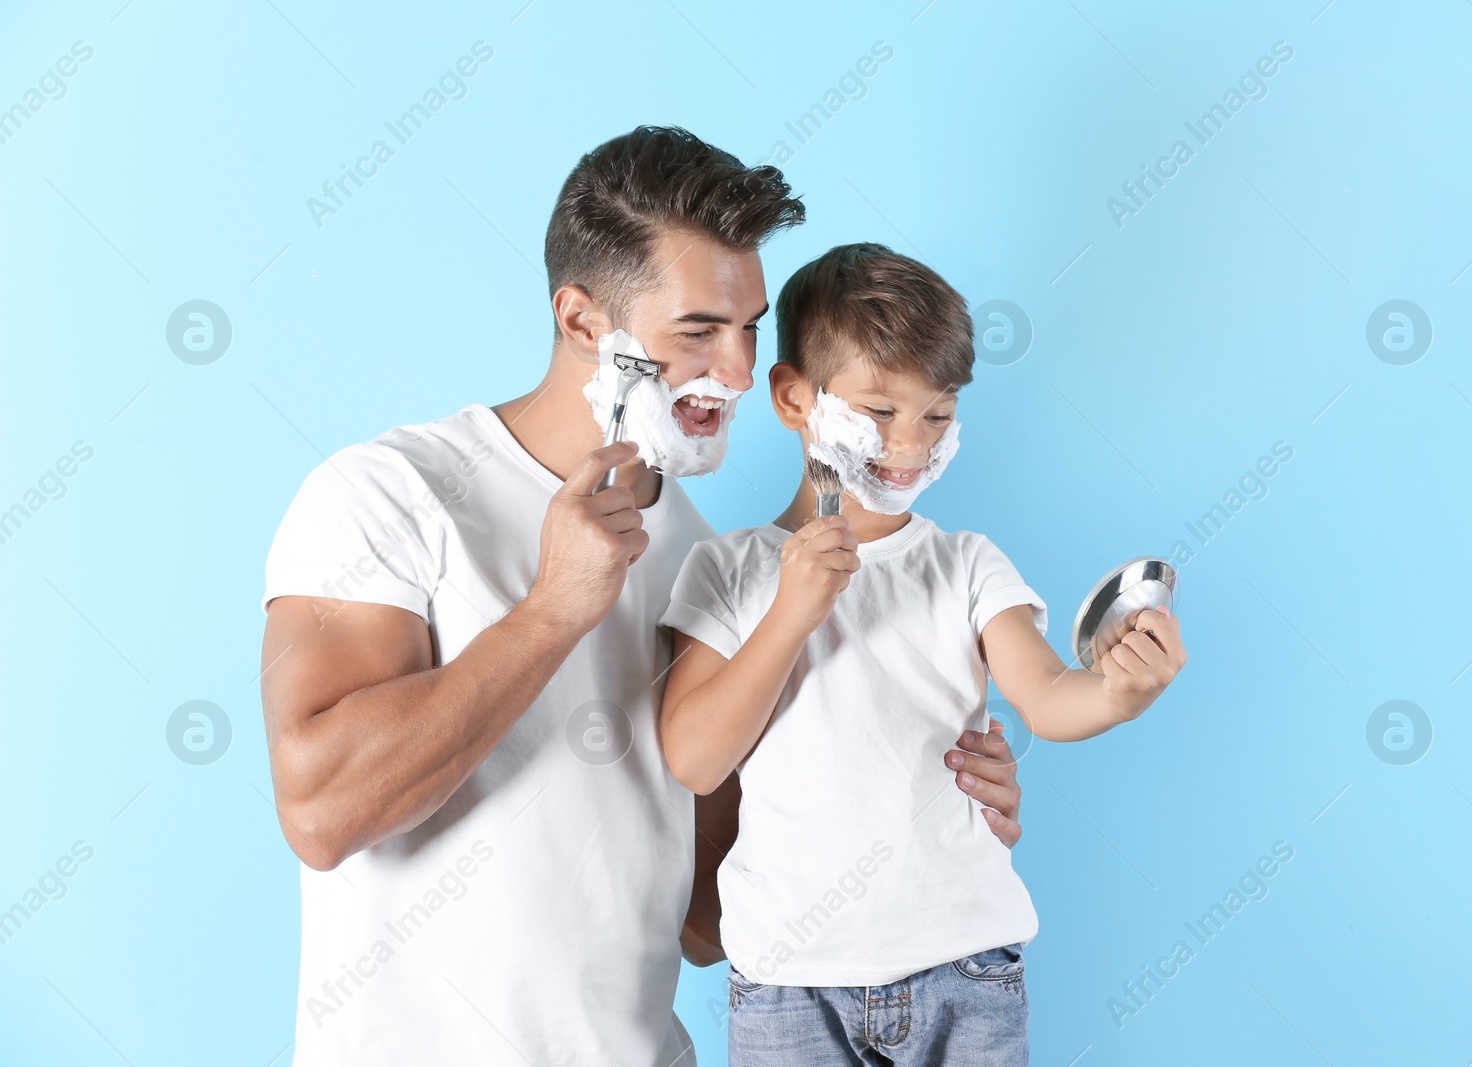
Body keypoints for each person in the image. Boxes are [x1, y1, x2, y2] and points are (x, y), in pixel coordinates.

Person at [258, 128, 1027, 1066]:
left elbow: (711, 916)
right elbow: (322, 810)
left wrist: (918, 800)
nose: (740, 372)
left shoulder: (721, 567)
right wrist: (553, 611)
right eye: (699, 330)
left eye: (748, 329)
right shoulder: (389, 492)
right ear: (583, 322)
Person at [659, 243, 1188, 1065]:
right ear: (795, 397)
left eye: (937, 415)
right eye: (878, 410)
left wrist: (1120, 693)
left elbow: (1048, 697)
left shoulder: (966, 565)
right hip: (788, 982)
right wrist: (790, 614)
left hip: (965, 969)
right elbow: (694, 757)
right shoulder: (728, 571)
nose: (909, 444)